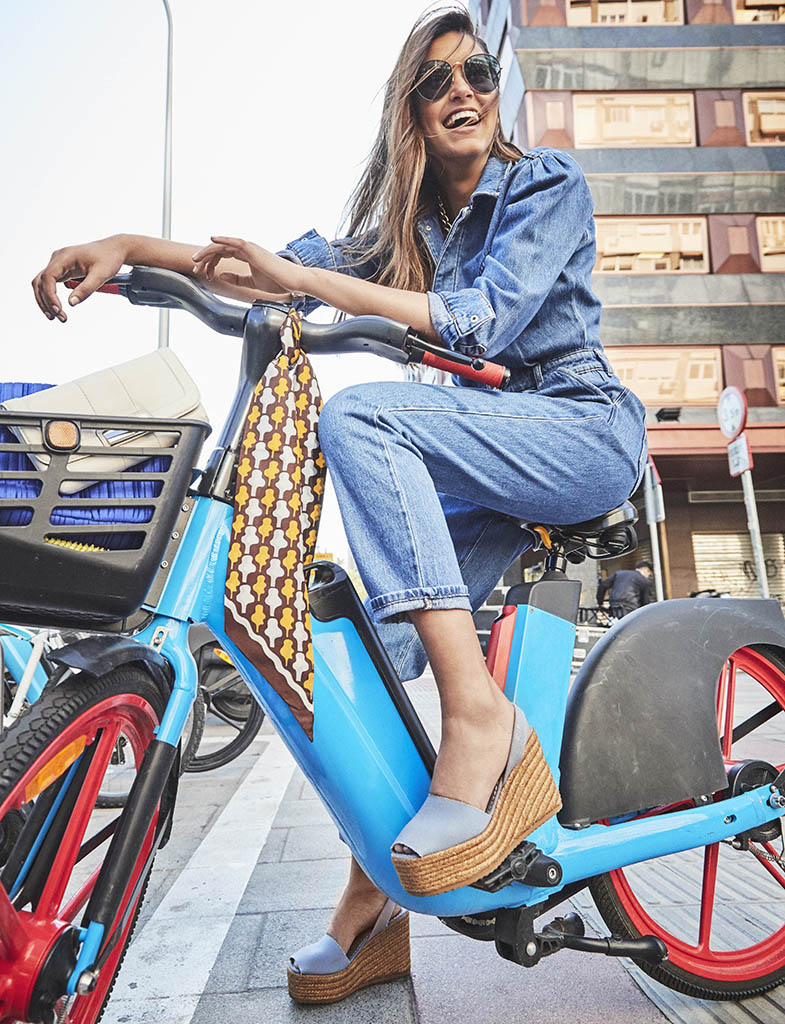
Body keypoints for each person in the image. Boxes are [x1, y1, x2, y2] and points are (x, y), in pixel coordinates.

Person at [32, 5, 647, 1003]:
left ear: (495, 95)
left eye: (475, 75)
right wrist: (123, 252)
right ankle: (376, 904)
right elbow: (243, 272)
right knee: (373, 648)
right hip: (488, 456)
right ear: (409, 108)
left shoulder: (543, 185)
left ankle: (480, 722)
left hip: (578, 427)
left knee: (361, 420)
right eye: (434, 80)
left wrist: (311, 280)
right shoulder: (398, 233)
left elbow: (478, 319)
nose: (459, 90)